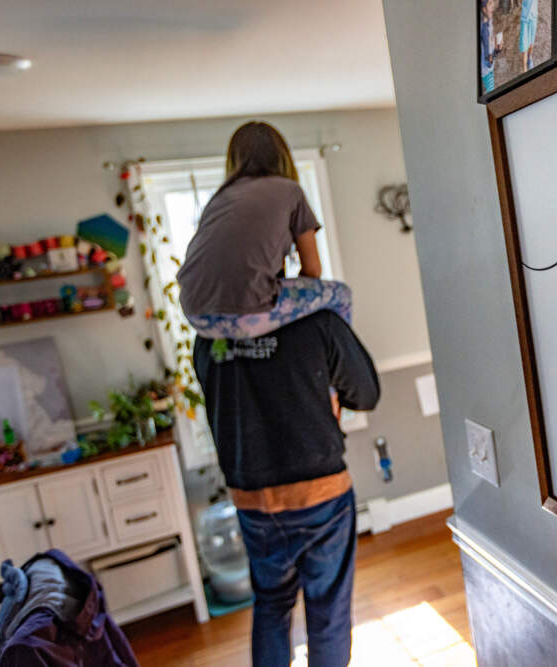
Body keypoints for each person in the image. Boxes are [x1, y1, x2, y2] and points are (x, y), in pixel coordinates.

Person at [181, 121, 382, 666]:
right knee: (327, 610)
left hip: (250, 494)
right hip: (318, 488)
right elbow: (366, 394)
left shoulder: (208, 342)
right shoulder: (317, 323)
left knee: (270, 604)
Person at [177, 121, 351, 341]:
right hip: (246, 314)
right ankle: (341, 370)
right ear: (282, 156)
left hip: (196, 314)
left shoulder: (221, 196)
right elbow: (313, 270)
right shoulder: (290, 191)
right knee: (341, 294)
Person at [480, 0, 497, 94]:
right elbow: (488, 61)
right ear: (483, 9)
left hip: (489, 66)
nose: (493, 6)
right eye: (490, 4)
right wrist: (496, 51)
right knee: (491, 94)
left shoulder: (489, 20)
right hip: (486, 68)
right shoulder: (483, 29)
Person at [519, 0, 538, 72]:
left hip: (534, 18)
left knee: (531, 42)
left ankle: (529, 57)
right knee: (524, 46)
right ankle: (524, 69)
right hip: (525, 19)